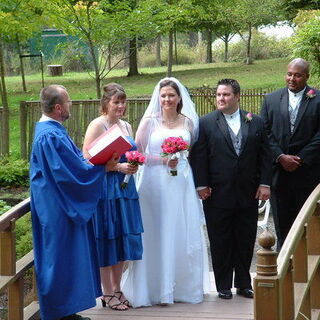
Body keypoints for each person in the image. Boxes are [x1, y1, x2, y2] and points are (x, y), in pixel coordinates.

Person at [30, 85, 118, 320]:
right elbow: (67, 173)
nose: (71, 106)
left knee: (67, 258)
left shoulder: (53, 131)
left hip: (61, 204)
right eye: (68, 102)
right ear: (58, 108)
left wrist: (97, 163)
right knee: (57, 259)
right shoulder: (49, 135)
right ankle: (57, 314)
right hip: (57, 207)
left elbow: (75, 163)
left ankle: (67, 311)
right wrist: (102, 168)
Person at [121, 77, 210, 307]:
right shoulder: (149, 122)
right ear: (158, 98)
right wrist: (163, 160)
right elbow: (137, 155)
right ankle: (154, 289)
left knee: (181, 229)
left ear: (179, 97)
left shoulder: (189, 122)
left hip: (181, 182)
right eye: (163, 96)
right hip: (154, 184)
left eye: (171, 95)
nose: (167, 99)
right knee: (157, 230)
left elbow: (192, 153)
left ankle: (181, 287)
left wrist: (177, 159)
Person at [190, 79, 272, 300]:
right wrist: (201, 184)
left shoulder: (256, 122)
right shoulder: (205, 123)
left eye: (225, 95)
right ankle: (223, 285)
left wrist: (265, 183)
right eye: (218, 95)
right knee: (219, 239)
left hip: (249, 191)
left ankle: (244, 284)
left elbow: (265, 155)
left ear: (237, 96)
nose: (221, 99)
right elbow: (199, 157)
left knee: (245, 238)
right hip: (216, 192)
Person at [82, 83, 143, 311]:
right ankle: (107, 293)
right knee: (107, 237)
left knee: (123, 237)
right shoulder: (97, 125)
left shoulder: (126, 126)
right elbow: (86, 161)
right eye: (116, 101)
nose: (121, 105)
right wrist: (117, 167)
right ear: (105, 103)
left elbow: (131, 154)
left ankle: (118, 288)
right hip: (105, 189)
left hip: (126, 190)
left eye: (123, 101)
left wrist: (134, 165)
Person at [260, 58, 320, 249]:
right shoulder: (271, 100)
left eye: (298, 75)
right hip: (280, 174)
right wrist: (280, 157)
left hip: (308, 174)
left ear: (307, 76)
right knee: (283, 226)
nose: (292, 78)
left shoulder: (317, 98)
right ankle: (285, 267)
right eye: (289, 74)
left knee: (309, 225)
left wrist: (301, 158)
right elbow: (264, 133)